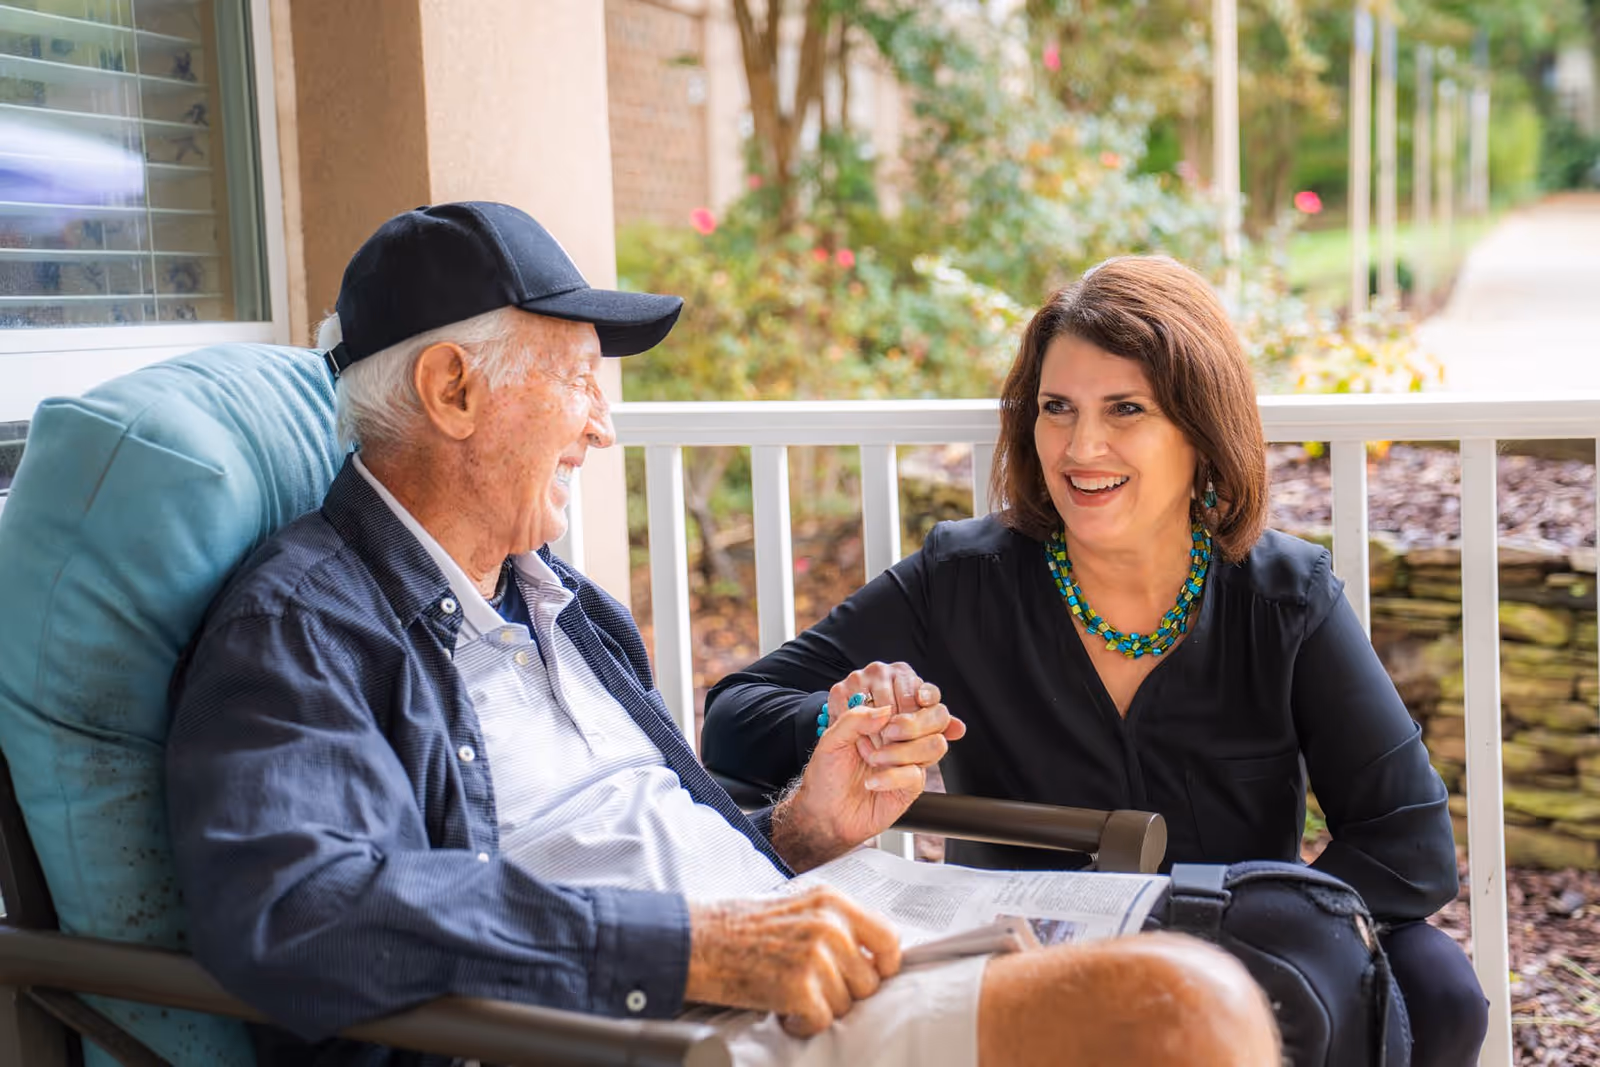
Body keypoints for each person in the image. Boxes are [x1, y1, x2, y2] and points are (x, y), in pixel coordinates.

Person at [165, 205, 1279, 1067]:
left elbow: (620, 844)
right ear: (452, 387)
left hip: (758, 974)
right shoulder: (305, 623)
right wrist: (696, 948)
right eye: (578, 379)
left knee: (1194, 946)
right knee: (1184, 1009)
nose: (601, 425)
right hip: (644, 1029)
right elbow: (295, 906)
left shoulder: (563, 605)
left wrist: (798, 828)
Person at [702, 254, 1490, 1067]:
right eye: (1057, 408)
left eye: (1125, 409)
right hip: (1023, 966)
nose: (1082, 446)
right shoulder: (963, 576)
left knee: (1438, 987)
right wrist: (850, 715)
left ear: (1201, 430)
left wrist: (1249, 926)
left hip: (1234, 951)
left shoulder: (1285, 596)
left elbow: (1410, 845)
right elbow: (732, 718)